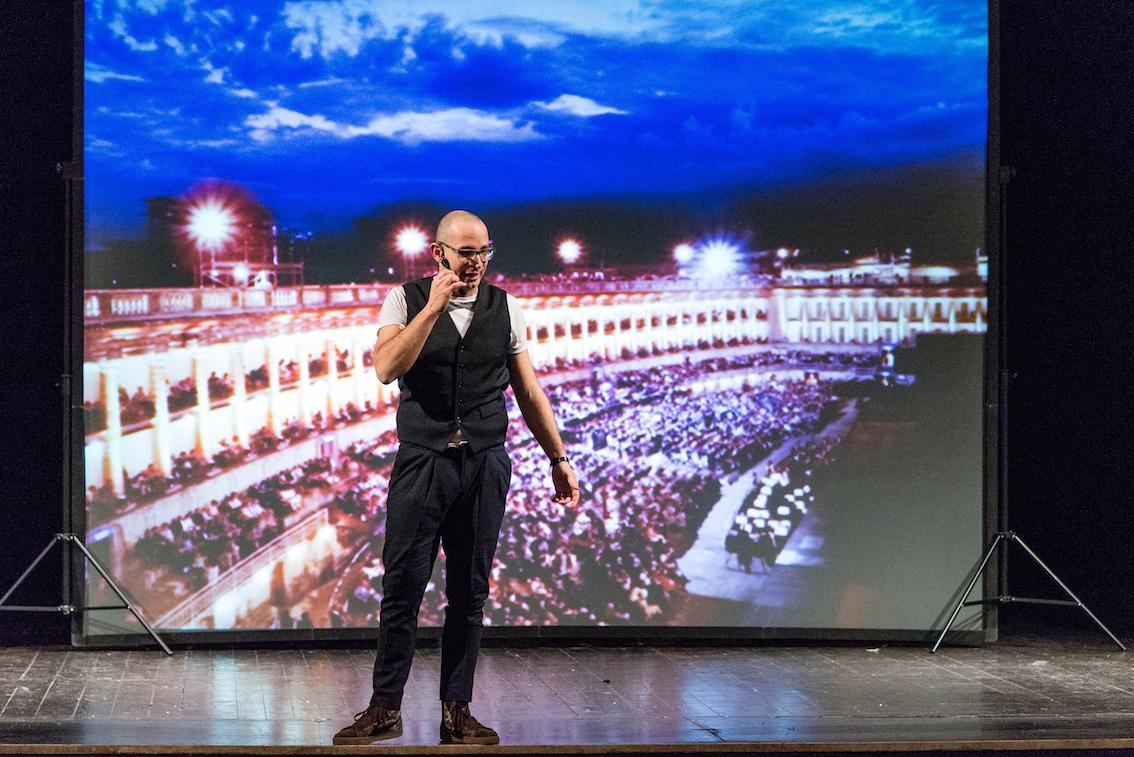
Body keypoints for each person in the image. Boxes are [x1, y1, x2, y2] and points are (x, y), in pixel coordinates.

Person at [333, 210, 581, 746]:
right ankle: (385, 708)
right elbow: (386, 367)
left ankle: (457, 711)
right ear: (437, 253)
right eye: (464, 252)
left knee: (470, 592)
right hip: (424, 461)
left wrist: (558, 457)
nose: (474, 263)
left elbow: (530, 391)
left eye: (483, 252)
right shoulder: (404, 300)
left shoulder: (504, 306)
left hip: (485, 463)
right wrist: (433, 311)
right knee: (401, 588)